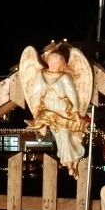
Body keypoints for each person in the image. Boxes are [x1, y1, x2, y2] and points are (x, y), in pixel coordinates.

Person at [19, 43, 92, 179]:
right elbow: (36, 94)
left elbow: (73, 95)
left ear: (61, 64)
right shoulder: (40, 75)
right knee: (60, 136)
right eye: (52, 62)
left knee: (65, 134)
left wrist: (76, 111)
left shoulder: (65, 77)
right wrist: (35, 111)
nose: (54, 65)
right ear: (48, 61)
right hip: (49, 112)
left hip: (63, 110)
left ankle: (70, 163)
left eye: (57, 63)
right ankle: (70, 163)